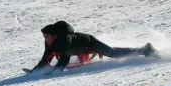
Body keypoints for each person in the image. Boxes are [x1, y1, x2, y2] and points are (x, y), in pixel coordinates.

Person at [26, 21, 156, 75]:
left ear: (54, 36)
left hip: (90, 44)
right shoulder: (50, 43)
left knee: (112, 52)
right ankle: (144, 49)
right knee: (113, 50)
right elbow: (45, 57)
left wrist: (55, 72)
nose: (45, 39)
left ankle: (145, 50)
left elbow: (64, 58)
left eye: (47, 37)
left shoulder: (64, 41)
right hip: (81, 47)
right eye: (44, 37)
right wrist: (34, 70)